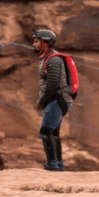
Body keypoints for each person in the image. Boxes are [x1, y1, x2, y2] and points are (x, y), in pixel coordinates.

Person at [32, 28, 71, 171]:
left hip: (57, 100)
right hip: (57, 100)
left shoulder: (53, 59)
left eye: (36, 41)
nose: (33, 44)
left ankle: (53, 165)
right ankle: (58, 164)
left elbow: (53, 83)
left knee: (46, 131)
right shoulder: (47, 57)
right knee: (53, 132)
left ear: (45, 43)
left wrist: (42, 101)